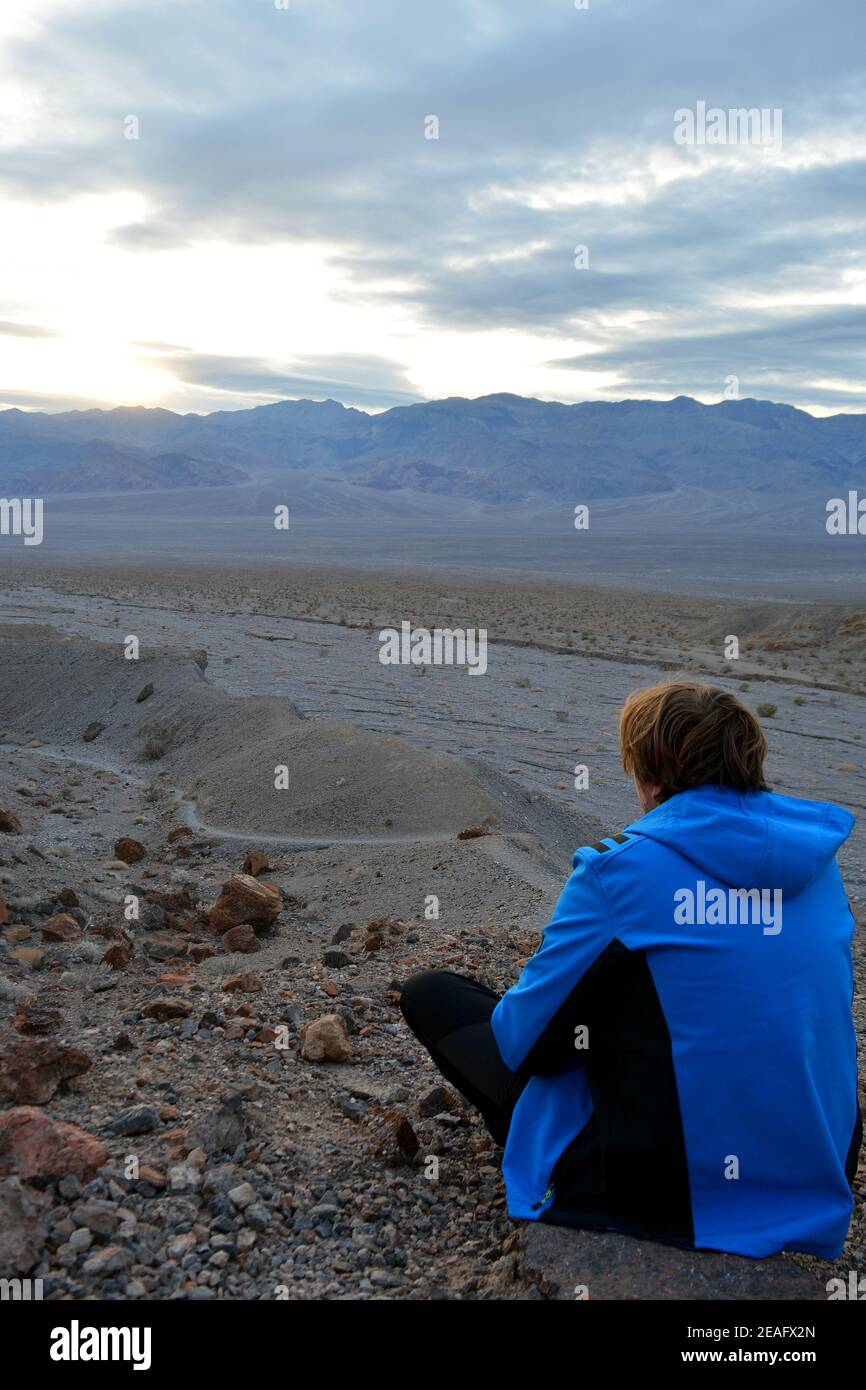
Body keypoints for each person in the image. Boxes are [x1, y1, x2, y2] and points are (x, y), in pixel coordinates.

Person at [400, 680, 861, 1258]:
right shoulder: (820, 869)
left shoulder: (619, 873)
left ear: (651, 778)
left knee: (436, 993)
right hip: (815, 1176)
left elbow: (523, 1043)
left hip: (669, 1199)